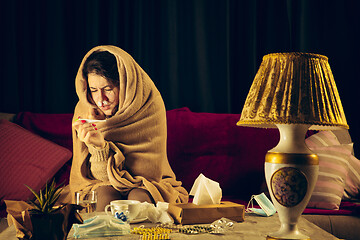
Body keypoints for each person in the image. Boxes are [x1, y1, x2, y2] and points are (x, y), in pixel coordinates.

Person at [70, 45, 188, 210]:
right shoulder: (85, 110)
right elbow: (97, 178)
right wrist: (98, 147)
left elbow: (149, 173)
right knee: (105, 195)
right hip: (100, 183)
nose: (100, 99)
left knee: (138, 200)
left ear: (126, 84)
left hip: (146, 183)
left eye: (108, 89)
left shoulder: (148, 104)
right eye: (93, 90)